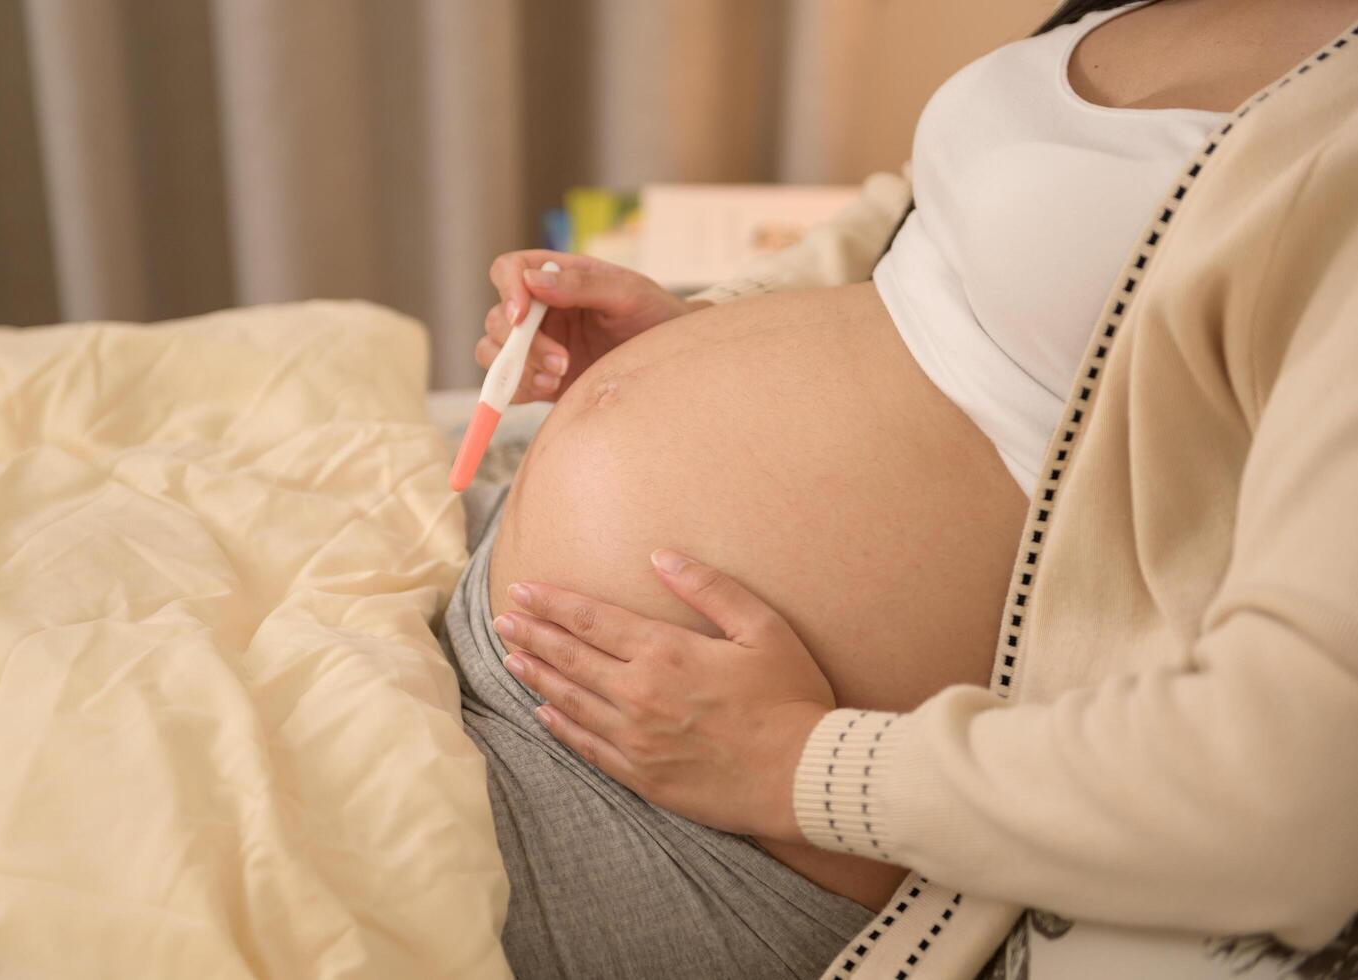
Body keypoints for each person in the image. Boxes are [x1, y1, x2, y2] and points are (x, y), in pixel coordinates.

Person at [446, 1, 1358, 976]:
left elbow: (1296, 797)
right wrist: (700, 327)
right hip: (551, 653)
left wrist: (800, 765)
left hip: (709, 829)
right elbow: (943, 226)